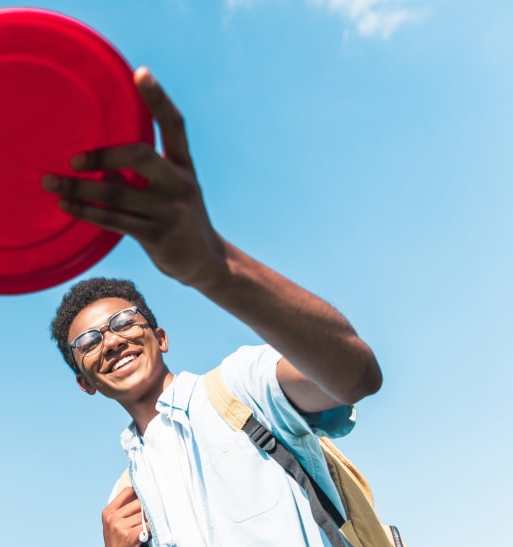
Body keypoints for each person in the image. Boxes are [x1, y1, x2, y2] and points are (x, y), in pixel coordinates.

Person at [42, 67, 382, 547]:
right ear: (84, 382)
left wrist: (214, 269)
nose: (112, 340)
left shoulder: (240, 387)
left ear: (160, 337)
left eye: (123, 322)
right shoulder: (126, 496)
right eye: (89, 341)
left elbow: (357, 375)